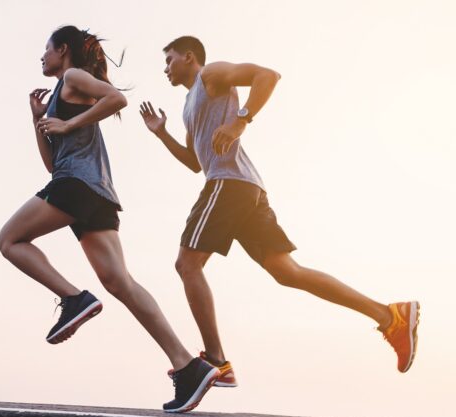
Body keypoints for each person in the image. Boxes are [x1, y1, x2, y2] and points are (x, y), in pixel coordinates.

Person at [139, 36, 419, 385]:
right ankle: (390, 316)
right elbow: (195, 163)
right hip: (243, 186)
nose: (165, 68)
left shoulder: (210, 75)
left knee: (187, 264)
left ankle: (217, 362)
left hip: (229, 184)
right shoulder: (188, 105)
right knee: (287, 271)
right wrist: (161, 134)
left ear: (188, 57)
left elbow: (267, 75)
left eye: (169, 60)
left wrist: (241, 121)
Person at [0, 26, 219, 413]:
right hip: (92, 192)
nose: (42, 58)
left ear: (63, 50)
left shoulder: (73, 76)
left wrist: (67, 124)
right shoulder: (57, 98)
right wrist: (39, 121)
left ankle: (73, 298)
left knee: (9, 241)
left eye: (46, 50)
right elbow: (54, 163)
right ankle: (188, 366)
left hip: (78, 187)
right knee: (122, 283)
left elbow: (116, 99)